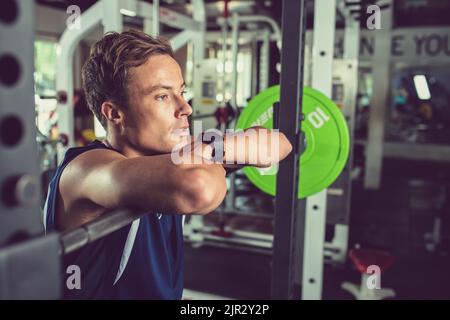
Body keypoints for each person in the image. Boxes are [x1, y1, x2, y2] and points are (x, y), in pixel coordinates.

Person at [43, 29, 292, 299]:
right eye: (162, 96)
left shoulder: (177, 152)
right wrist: (220, 152)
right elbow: (199, 189)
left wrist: (216, 148)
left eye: (182, 92)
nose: (185, 108)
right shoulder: (86, 169)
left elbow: (278, 143)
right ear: (114, 113)